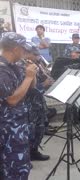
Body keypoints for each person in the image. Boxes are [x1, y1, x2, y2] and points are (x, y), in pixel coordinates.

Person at [0, 32, 38, 179]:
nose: (25, 52)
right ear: (15, 49)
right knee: (14, 171)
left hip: (18, 127)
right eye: (23, 49)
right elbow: (12, 100)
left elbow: (29, 88)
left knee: (22, 167)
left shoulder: (14, 66)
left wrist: (32, 75)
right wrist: (28, 77)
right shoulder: (2, 70)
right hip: (8, 131)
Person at [23, 42, 50, 161]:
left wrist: (46, 74)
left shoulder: (35, 64)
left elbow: (42, 79)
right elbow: (26, 89)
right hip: (29, 105)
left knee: (40, 128)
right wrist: (43, 85)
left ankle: (34, 151)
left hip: (39, 102)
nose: (38, 57)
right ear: (27, 53)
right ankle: (27, 155)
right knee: (30, 131)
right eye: (35, 54)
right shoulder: (22, 67)